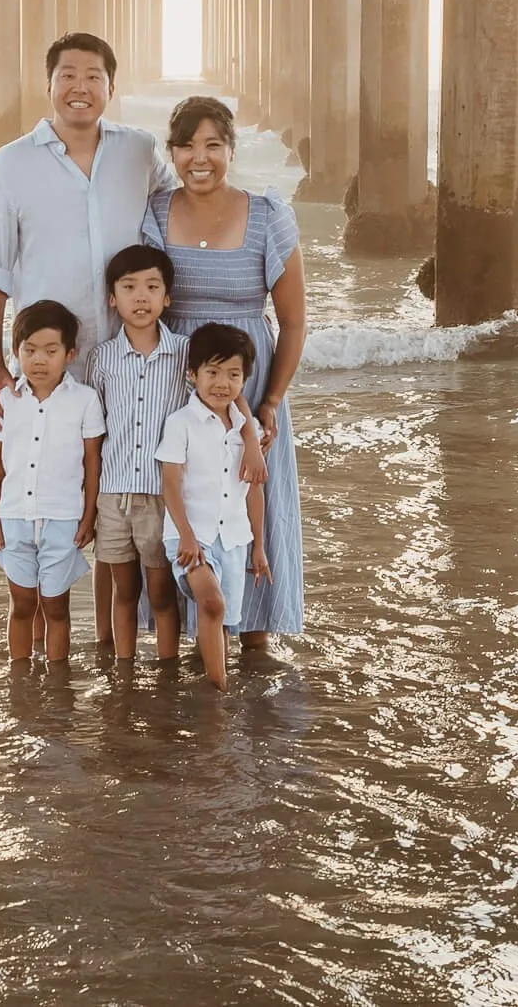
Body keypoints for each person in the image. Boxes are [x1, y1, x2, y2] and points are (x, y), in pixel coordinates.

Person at [0, 32, 174, 655]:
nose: (80, 87)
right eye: (67, 75)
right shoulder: (12, 163)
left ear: (111, 87)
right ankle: (46, 649)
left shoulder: (140, 152)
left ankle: (116, 649)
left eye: (93, 76)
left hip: (129, 363)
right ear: (49, 84)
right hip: (49, 369)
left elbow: (179, 214)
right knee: (52, 502)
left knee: (120, 503)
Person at [142, 95, 308, 645]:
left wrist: (268, 404)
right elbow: (138, 298)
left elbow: (293, 322)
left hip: (247, 379)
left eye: (213, 144)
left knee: (247, 497)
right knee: (184, 496)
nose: (199, 157)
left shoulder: (267, 216)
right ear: (172, 152)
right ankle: (186, 638)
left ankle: (255, 640)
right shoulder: (156, 212)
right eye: (186, 145)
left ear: (232, 150)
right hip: (178, 381)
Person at [0, 300, 104, 667]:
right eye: (29, 350)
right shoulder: (7, 399)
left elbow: (92, 461)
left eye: (50, 351)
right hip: (15, 517)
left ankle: (57, 679)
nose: (39, 360)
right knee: (21, 603)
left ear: (69, 354)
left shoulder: (84, 400)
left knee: (55, 606)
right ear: (16, 352)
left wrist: (89, 516)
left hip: (62, 519)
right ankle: (18, 676)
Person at [89, 244, 191, 664]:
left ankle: (167, 671)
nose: (140, 297)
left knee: (163, 593)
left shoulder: (184, 353)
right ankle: (124, 676)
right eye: (128, 287)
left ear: (167, 296)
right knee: (124, 591)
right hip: (113, 497)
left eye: (152, 286)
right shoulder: (103, 358)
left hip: (160, 497)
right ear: (112, 298)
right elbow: (93, 435)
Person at [156, 323, 270, 690]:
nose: (222, 383)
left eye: (233, 375)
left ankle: (215, 684)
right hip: (192, 537)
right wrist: (186, 537)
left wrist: (260, 547)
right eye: (213, 372)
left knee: (220, 619)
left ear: (245, 380)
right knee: (212, 603)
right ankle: (218, 692)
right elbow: (169, 484)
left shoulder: (246, 429)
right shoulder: (180, 423)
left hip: (234, 538)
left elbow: (253, 491)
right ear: (193, 375)